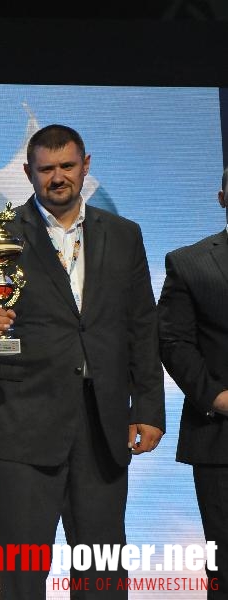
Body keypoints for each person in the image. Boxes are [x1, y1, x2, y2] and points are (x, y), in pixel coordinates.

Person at [0, 124, 165, 598]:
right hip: (21, 424)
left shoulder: (125, 235)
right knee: (23, 575)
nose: (58, 177)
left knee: (102, 575)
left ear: (86, 166)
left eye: (67, 166)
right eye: (47, 169)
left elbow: (142, 325)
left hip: (102, 425)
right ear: (28, 173)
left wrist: (147, 407)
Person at [158, 167, 228, 597]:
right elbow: (173, 342)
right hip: (221, 439)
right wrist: (218, 397)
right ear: (222, 196)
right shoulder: (190, 264)